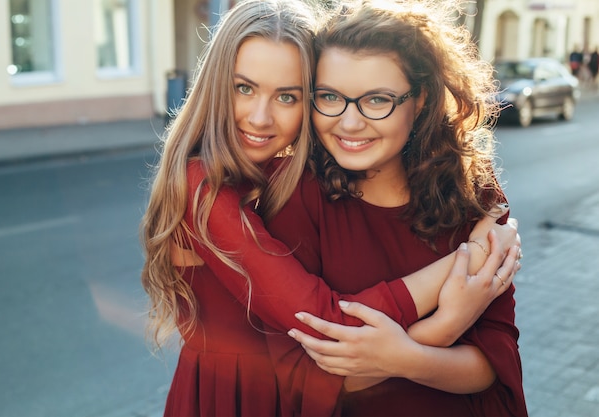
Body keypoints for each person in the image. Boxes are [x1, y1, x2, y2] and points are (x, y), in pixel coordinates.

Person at [140, 0, 520, 416]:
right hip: (233, 399)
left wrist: (412, 351)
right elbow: (323, 328)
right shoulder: (209, 185)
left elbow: (497, 358)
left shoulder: (285, 176)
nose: (260, 117)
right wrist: (466, 269)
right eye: (242, 88)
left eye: (288, 95)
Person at [266, 0, 528, 415]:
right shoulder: (295, 197)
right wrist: (443, 329)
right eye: (330, 97)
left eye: (376, 101)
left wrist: (403, 356)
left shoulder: (475, 194)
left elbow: (495, 364)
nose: (349, 123)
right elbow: (305, 377)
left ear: (420, 98)